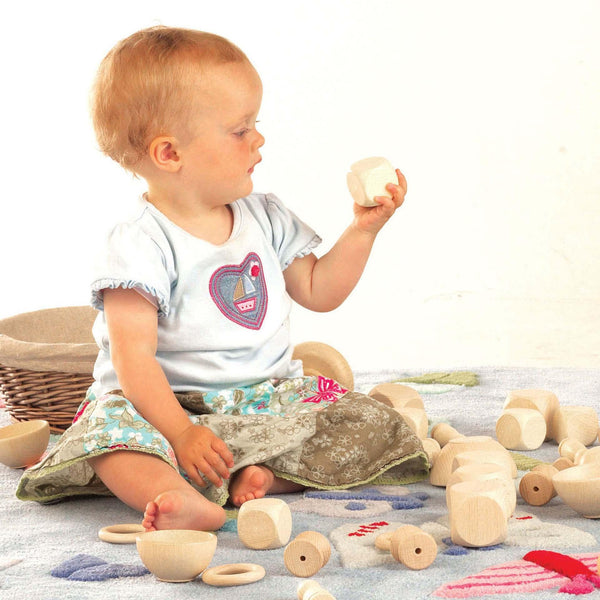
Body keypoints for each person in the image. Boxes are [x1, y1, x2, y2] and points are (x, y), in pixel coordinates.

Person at [16, 26, 427, 532]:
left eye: (256, 124)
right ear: (170, 154)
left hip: (261, 399)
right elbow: (132, 359)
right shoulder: (139, 244)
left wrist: (363, 230)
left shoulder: (266, 216)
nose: (258, 139)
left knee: (366, 420)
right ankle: (172, 494)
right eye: (239, 130)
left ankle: (261, 475)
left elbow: (320, 291)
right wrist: (181, 432)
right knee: (109, 442)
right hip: (164, 408)